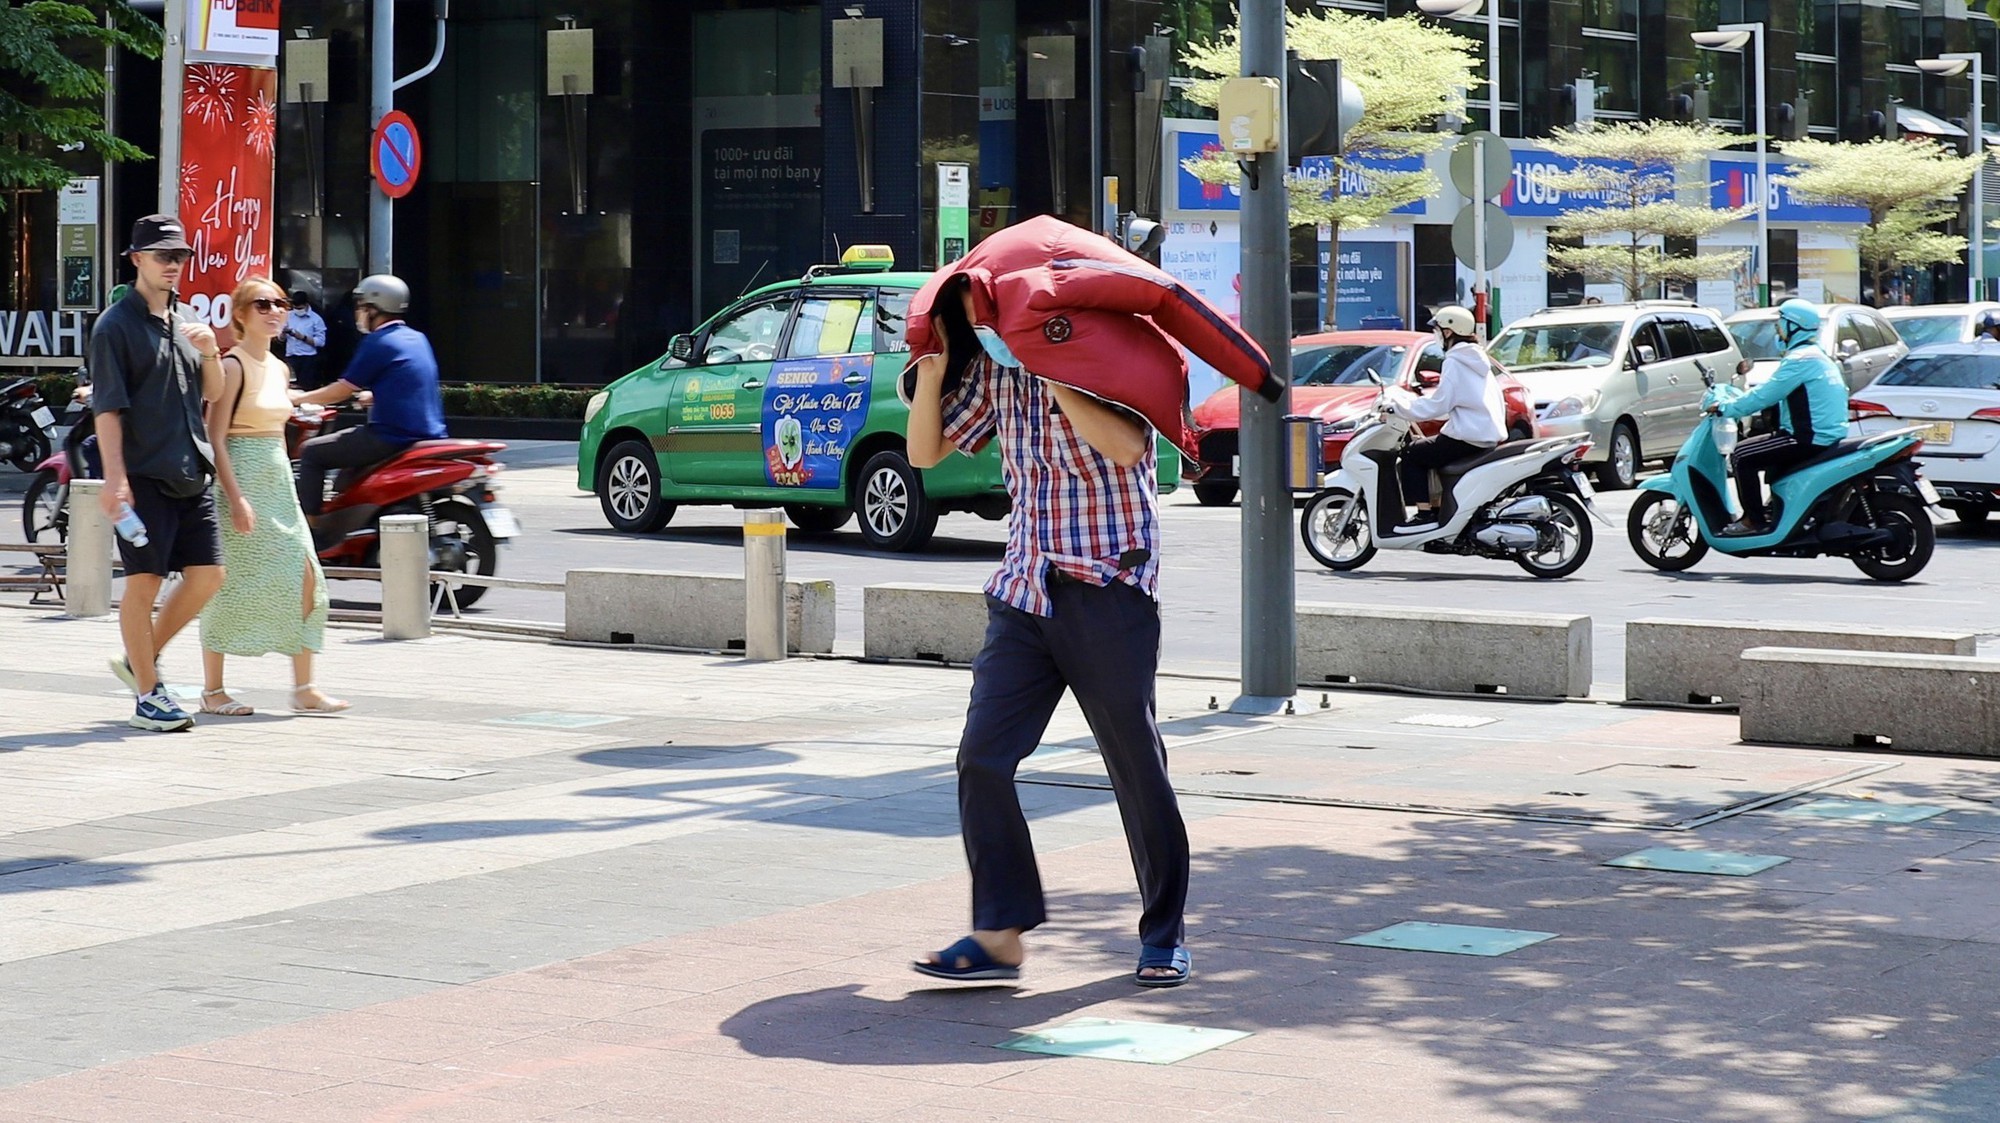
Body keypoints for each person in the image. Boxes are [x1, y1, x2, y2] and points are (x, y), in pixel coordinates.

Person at [905, 278, 1193, 989]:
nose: (982, 327)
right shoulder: (994, 371)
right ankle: (999, 934)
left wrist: (1055, 373)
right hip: (1025, 591)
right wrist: (935, 368)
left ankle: (1164, 934)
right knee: (981, 758)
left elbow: (1129, 448)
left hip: (1108, 589)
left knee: (1135, 769)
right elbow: (925, 454)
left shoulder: (1106, 356)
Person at [88, 215, 225, 732]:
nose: (173, 265)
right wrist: (115, 478)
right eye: (163, 255)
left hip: (193, 469)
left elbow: (211, 392)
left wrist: (210, 350)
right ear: (136, 259)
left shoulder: (186, 319)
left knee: (210, 575)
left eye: (180, 256)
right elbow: (107, 408)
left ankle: (139, 658)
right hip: (143, 473)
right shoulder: (114, 326)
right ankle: (148, 695)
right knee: (143, 582)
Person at [197, 277, 348, 718]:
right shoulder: (232, 366)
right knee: (228, 584)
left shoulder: (280, 368)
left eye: (280, 303)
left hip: (277, 478)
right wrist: (236, 497)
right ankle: (213, 690)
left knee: (307, 578)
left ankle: (304, 687)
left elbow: (283, 409)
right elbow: (215, 436)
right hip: (241, 478)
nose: (275, 311)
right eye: (262, 304)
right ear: (240, 315)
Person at [290, 274, 447, 520]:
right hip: (428, 432)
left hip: (390, 436)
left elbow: (342, 389)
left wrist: (297, 398)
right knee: (346, 474)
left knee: (311, 452)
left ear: (373, 310)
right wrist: (375, 395)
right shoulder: (417, 338)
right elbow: (409, 380)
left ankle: (311, 531)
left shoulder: (378, 342)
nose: (357, 314)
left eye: (361, 307)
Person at [1709, 299, 1850, 535]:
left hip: (1807, 437)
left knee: (1742, 455)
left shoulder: (1800, 360)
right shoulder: (1819, 357)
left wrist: (1726, 407)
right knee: (1766, 448)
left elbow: (1764, 396)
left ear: (1793, 326)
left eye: (1780, 324)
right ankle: (1773, 509)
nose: (1777, 330)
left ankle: (1753, 521)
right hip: (1827, 435)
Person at [1387, 305, 1508, 528]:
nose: (1436, 336)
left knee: (1412, 454)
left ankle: (1426, 515)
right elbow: (1452, 402)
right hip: (1484, 434)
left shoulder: (1454, 361)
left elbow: (1439, 404)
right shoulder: (1478, 359)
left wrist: (1400, 407)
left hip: (1467, 437)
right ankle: (1437, 506)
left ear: (1449, 332)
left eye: (1437, 330)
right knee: (1427, 448)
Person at [281, 288, 329, 389]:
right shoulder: (288, 316)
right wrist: (283, 332)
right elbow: (281, 339)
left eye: (300, 308)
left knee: (306, 387)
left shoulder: (316, 319)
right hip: (291, 356)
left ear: (307, 304)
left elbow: (321, 342)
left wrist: (302, 337)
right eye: (295, 308)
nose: (298, 310)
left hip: (308, 358)